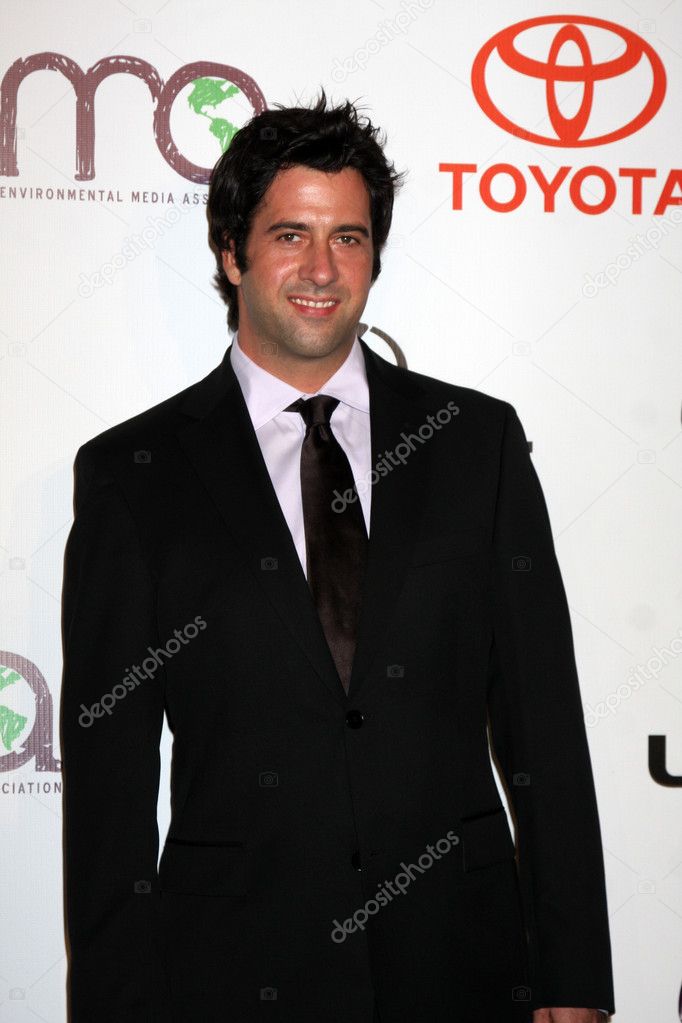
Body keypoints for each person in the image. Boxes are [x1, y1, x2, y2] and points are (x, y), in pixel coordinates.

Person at [60, 88, 615, 1023]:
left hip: (462, 966)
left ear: (374, 256)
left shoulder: (475, 444)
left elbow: (544, 726)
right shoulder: (134, 475)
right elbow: (109, 790)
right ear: (231, 252)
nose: (322, 268)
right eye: (290, 235)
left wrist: (574, 974)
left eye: (348, 238)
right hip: (231, 976)